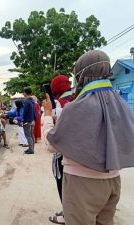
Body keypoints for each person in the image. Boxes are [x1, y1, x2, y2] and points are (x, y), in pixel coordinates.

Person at [43, 50, 134, 225]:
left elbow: (51, 145)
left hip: (82, 184)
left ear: (81, 75)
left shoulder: (75, 107)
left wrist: (47, 116)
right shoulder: (121, 104)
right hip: (113, 182)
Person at [49, 75, 74, 224]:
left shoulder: (58, 103)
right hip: (80, 152)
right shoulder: (79, 98)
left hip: (62, 152)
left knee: (63, 184)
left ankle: (67, 215)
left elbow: (54, 130)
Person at [22, 88, 35, 154]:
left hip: (27, 121)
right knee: (31, 135)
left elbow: (25, 112)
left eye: (24, 92)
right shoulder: (32, 101)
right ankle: (31, 148)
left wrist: (22, 119)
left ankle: (31, 150)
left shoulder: (27, 101)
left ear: (25, 93)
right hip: (31, 120)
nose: (23, 94)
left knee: (28, 136)